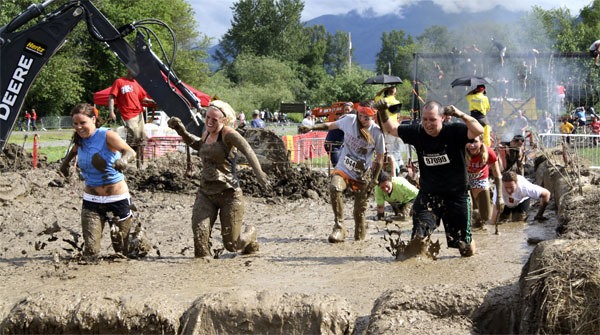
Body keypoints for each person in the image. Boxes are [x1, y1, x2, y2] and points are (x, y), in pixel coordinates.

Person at [376, 100, 484, 257]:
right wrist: (383, 111)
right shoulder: (417, 132)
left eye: (432, 119)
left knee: (464, 249)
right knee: (418, 240)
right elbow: (391, 129)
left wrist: (460, 114)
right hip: (429, 195)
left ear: (442, 118)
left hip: (456, 195)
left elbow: (478, 130)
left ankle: (470, 244)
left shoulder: (454, 130)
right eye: (425, 119)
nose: (428, 124)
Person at [167, 100, 269, 257]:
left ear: (224, 120)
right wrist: (181, 130)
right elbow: (199, 144)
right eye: (207, 117)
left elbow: (248, 151)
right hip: (206, 192)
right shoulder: (207, 131)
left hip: (229, 193)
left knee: (232, 245)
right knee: (200, 243)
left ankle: (251, 234)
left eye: (214, 120)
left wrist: (259, 173)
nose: (209, 122)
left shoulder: (229, 134)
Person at [59, 103, 137, 261]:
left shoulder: (106, 135)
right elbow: (72, 153)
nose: (79, 127)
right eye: (75, 124)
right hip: (92, 201)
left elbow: (130, 151)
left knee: (122, 252)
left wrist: (124, 160)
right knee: (91, 252)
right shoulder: (80, 140)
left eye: (83, 123)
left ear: (93, 119)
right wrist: (64, 164)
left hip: (117, 199)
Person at [300, 103, 385, 243]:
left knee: (359, 213)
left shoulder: (376, 132)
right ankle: (339, 227)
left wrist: (374, 180)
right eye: (361, 116)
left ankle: (359, 241)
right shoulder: (349, 120)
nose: (363, 120)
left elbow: (380, 159)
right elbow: (330, 125)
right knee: (335, 187)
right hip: (344, 167)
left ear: (373, 117)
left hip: (362, 174)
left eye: (367, 118)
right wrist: (311, 127)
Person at [108, 70, 154, 166]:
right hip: (128, 114)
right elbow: (111, 97)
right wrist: (111, 111)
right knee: (133, 137)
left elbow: (142, 99)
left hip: (139, 114)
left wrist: (151, 101)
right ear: (129, 70)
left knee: (141, 138)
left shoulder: (136, 83)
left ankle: (140, 163)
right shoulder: (119, 82)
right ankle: (128, 160)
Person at [466, 134, 503, 229]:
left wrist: (499, 197)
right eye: (469, 142)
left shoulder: (489, 153)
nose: (471, 145)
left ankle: (479, 222)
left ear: (482, 142)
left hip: (481, 180)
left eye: (475, 141)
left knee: (485, 216)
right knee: (467, 213)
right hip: (465, 180)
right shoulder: (461, 151)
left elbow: (497, 174)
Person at [324, 102, 352, 166]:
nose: (347, 111)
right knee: (337, 165)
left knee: (342, 164)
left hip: (339, 145)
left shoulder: (347, 118)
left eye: (348, 110)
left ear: (351, 110)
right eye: (345, 110)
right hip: (332, 144)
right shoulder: (344, 119)